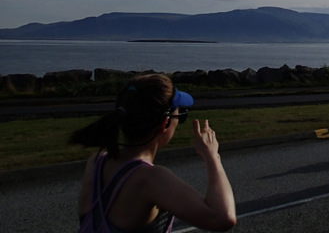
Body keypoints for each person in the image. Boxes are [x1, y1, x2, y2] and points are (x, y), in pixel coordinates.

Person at [69, 73, 236, 233]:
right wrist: (212, 156)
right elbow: (222, 217)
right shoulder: (151, 179)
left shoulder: (97, 162)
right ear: (165, 123)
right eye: (181, 116)